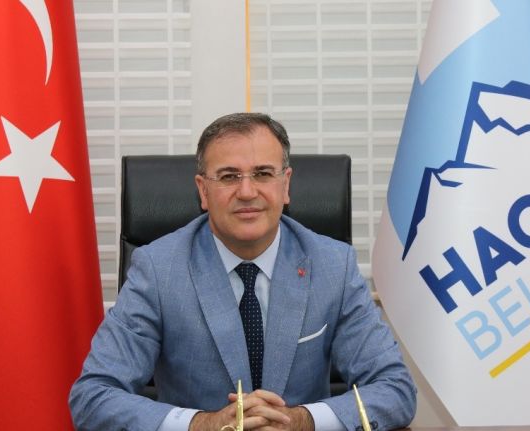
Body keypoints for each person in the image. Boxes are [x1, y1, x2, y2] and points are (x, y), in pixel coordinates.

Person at [69, 113, 416, 431]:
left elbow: (395, 389)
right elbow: (93, 397)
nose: (247, 192)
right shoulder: (158, 269)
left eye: (263, 173)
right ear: (203, 190)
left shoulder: (332, 265)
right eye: (229, 176)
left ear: (286, 184)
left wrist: (301, 421)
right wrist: (201, 425)